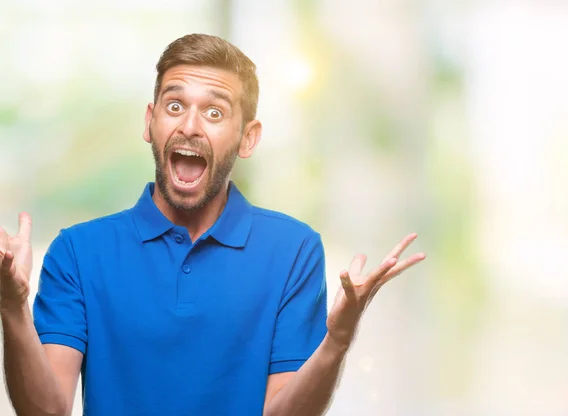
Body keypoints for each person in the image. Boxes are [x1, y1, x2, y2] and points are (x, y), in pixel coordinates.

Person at [0, 34, 425, 416]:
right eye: (174, 105)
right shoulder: (78, 251)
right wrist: (12, 308)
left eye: (215, 113)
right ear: (150, 122)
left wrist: (337, 341)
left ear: (248, 137)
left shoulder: (294, 250)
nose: (189, 125)